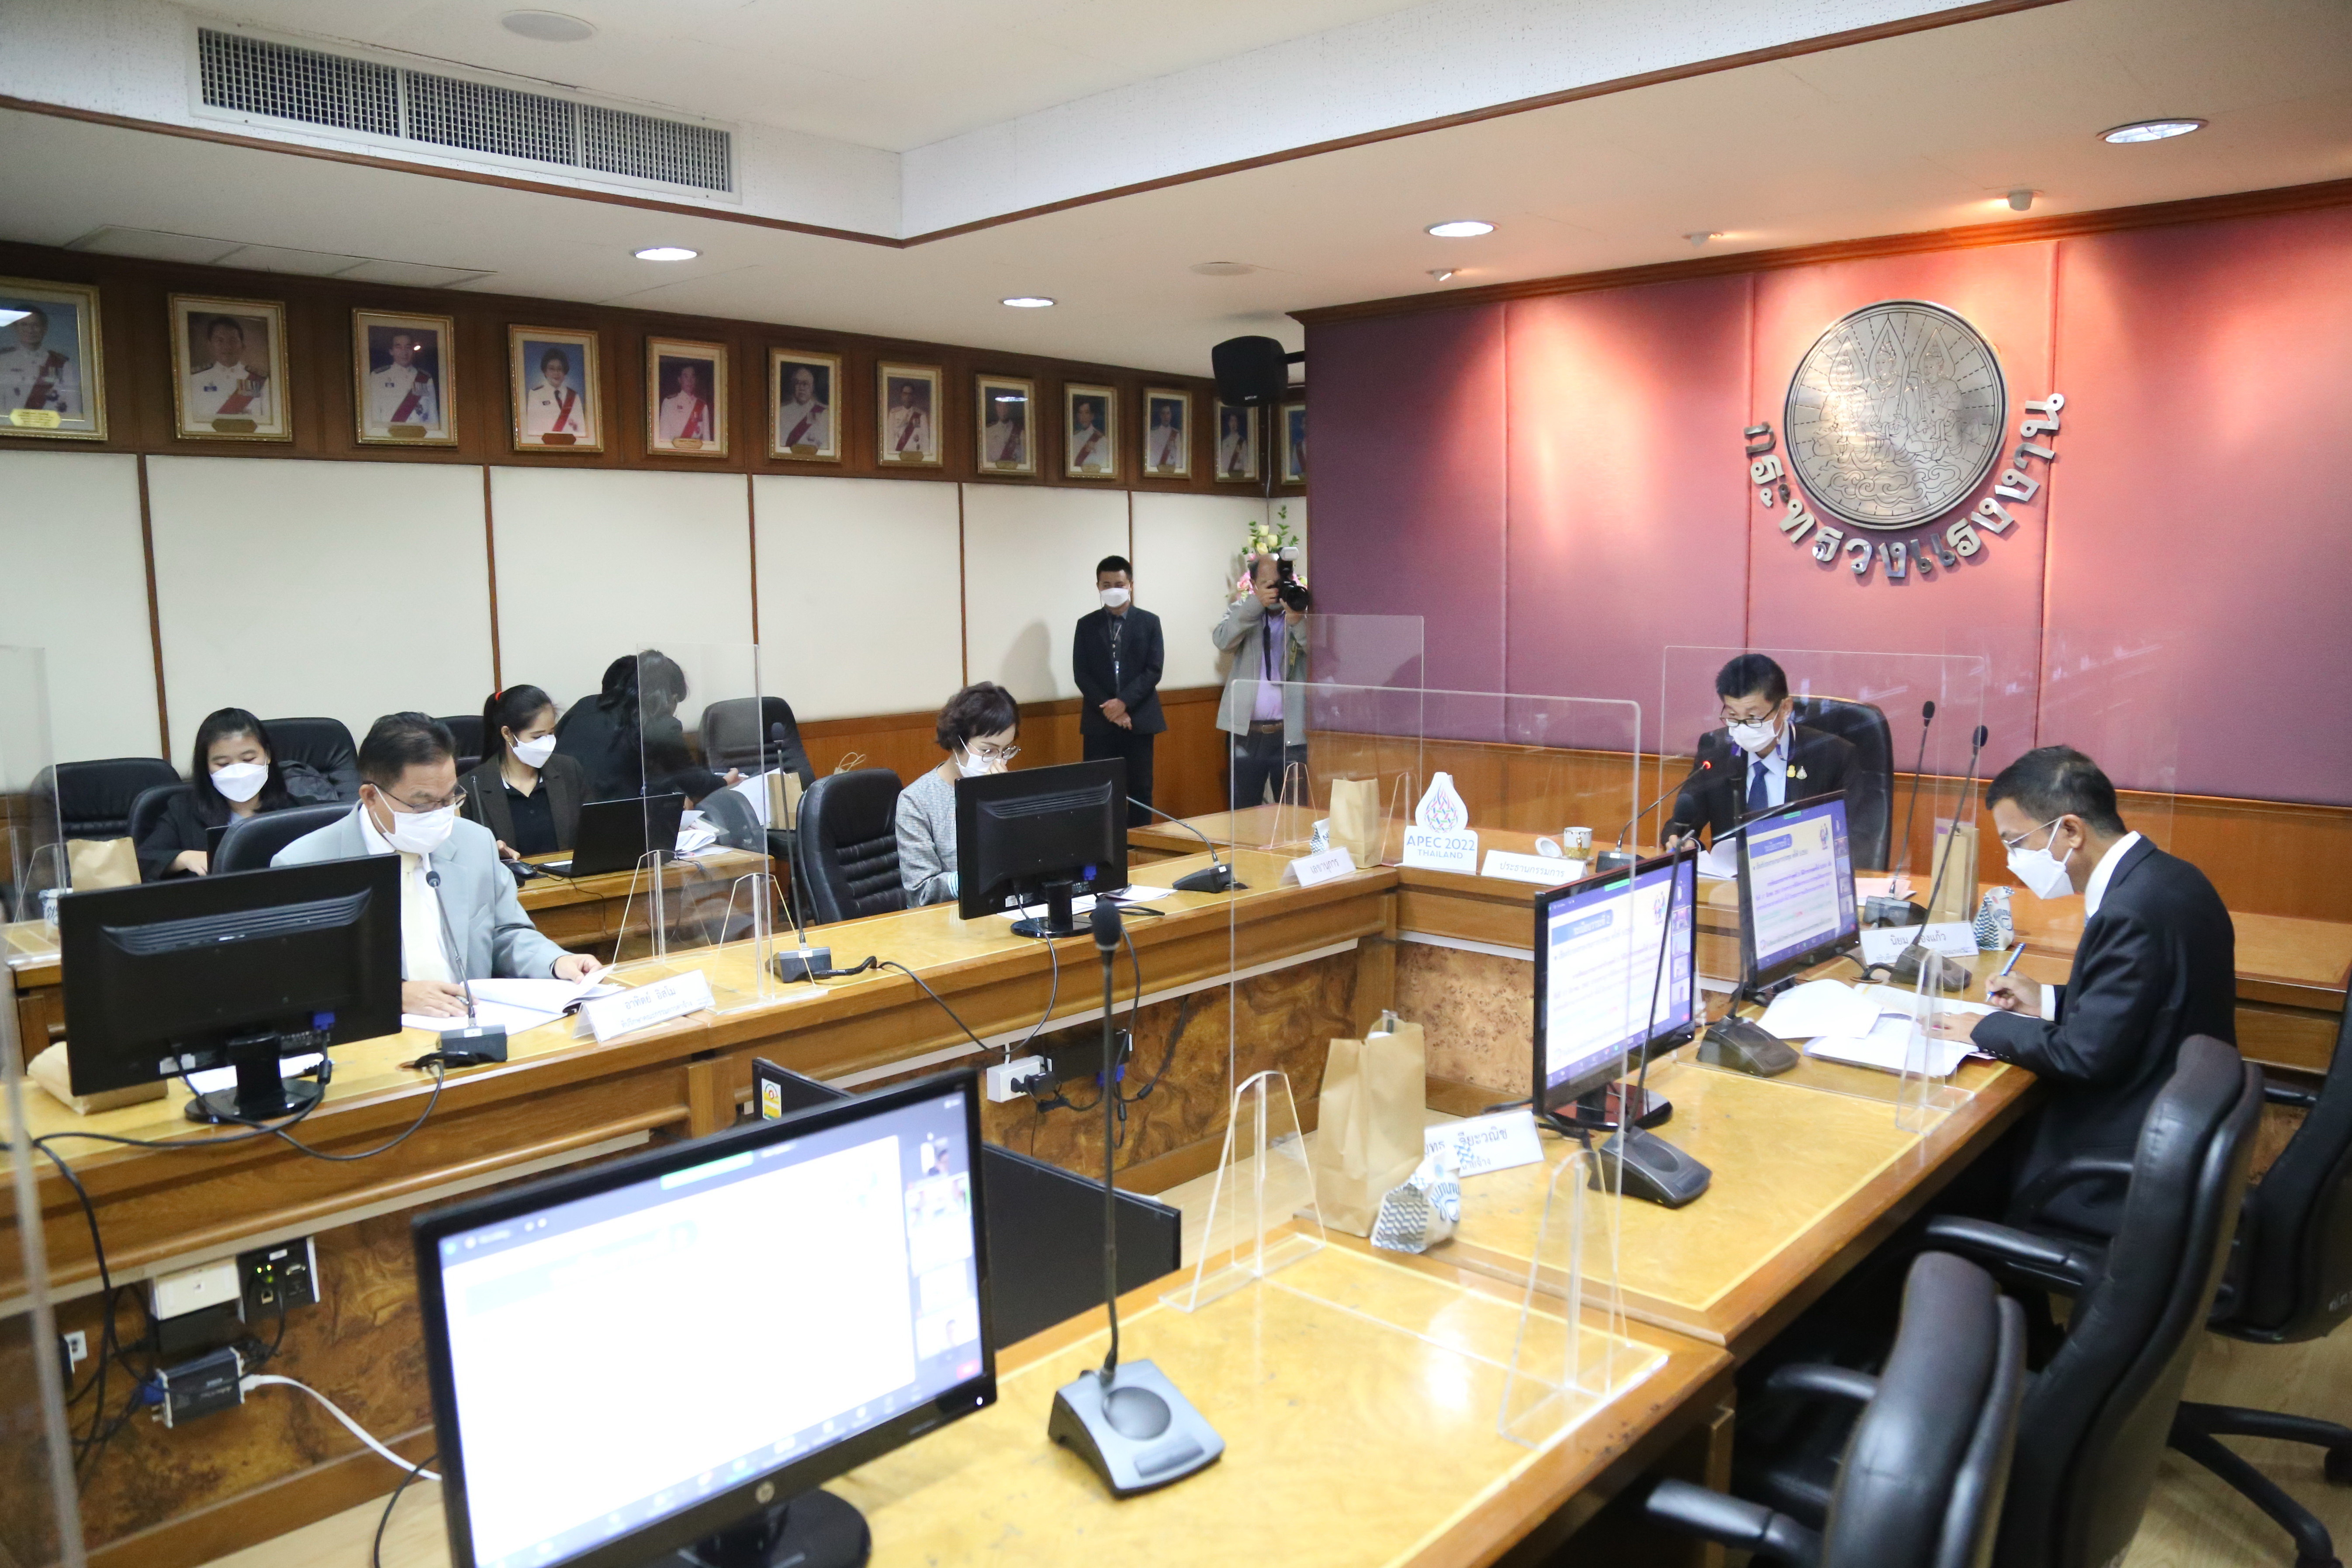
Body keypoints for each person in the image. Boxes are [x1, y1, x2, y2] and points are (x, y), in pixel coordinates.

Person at [1927, 746, 2236, 1236]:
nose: (2012, 862)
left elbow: (2083, 1056)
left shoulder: (2129, 913)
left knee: (1950, 1169)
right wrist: (2046, 1000)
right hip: (2168, 1123)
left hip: (2113, 1161)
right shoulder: (2172, 878)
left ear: (2070, 830)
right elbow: (2143, 1002)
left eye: (2017, 843)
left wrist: (1984, 1027)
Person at [273, 714, 602, 1017]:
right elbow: (298, 979)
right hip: (376, 1035)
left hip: (472, 1023)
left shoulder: (474, 842)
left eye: (448, 799)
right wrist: (393, 994)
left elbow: (506, 933)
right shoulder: (303, 866)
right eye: (422, 804)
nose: (440, 814)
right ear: (371, 797)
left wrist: (556, 961)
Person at [1662, 653, 1854, 848]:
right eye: (1733, 716)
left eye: (1753, 717)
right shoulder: (1716, 751)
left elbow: (1856, 837)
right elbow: (1681, 824)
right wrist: (1682, 842)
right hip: (1732, 868)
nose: (1742, 727)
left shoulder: (1833, 756)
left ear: (1785, 708)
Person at [135, 708, 339, 880]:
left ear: (267, 755)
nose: (237, 770)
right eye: (223, 764)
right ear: (206, 766)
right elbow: (141, 861)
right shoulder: (181, 811)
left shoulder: (300, 811)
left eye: (249, 759)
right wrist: (184, 858)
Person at [553, 651, 735, 806]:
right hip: (609, 815)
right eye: (675, 701)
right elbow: (695, 782)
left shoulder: (586, 705)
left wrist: (678, 794)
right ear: (669, 696)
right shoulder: (659, 724)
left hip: (559, 808)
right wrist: (725, 782)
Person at [896, 683, 1019, 907]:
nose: (998, 761)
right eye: (988, 751)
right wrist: (970, 880)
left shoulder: (1010, 789)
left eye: (1006, 750)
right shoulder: (916, 801)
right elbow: (921, 892)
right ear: (956, 741)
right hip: (953, 915)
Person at [1073, 555, 1165, 826]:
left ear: (1131, 586)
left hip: (1139, 720)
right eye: (1107, 585)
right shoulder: (1086, 625)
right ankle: (1103, 846)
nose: (1113, 589)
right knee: (1098, 791)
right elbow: (1082, 674)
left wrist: (1124, 703)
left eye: (1120, 584)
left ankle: (1138, 844)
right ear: (1098, 587)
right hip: (1099, 721)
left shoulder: (1149, 622)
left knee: (1140, 791)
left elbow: (1154, 670)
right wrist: (1111, 709)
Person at [1213, 551, 1306, 811]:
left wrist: (1298, 622)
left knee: (1295, 813)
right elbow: (1223, 640)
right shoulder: (1242, 611)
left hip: (1291, 734)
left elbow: (1322, 655)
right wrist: (1255, 606)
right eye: (1268, 584)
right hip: (1247, 734)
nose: (1276, 590)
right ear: (1253, 585)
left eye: (1281, 582)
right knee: (1243, 813)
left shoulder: (1302, 613)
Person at [461, 685, 587, 860]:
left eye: (551, 733)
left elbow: (593, 832)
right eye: (537, 737)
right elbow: (462, 854)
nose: (547, 743)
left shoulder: (569, 770)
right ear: (507, 734)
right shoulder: (470, 787)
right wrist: (489, 853)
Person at [184, 315, 270, 425]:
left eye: (233, 341)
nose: (227, 347)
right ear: (210, 346)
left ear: (243, 346)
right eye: (220, 341)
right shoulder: (195, 379)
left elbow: (268, 423)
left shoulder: (261, 380)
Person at [0, 305, 80, 418]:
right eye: (24, 325)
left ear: (45, 329)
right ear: (15, 328)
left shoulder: (61, 364)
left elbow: (73, 407)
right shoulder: (3, 361)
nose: (30, 330)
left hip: (52, 426)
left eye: (36, 325)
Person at [367, 329, 437, 428]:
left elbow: (433, 417)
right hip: (389, 436)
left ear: (413, 350)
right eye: (399, 347)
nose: (404, 352)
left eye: (408, 347)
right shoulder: (378, 377)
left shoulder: (426, 379)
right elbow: (374, 415)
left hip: (419, 435)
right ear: (391, 351)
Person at [522, 347, 585, 439]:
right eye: (552, 369)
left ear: (565, 372)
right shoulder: (535, 394)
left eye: (560, 369)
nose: (556, 373)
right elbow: (532, 428)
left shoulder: (574, 396)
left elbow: (581, 430)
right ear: (545, 371)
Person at [776, 363, 829, 450]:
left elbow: (826, 445)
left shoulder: (824, 414)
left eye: (806, 384)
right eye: (798, 383)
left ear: (812, 387)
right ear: (793, 386)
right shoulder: (781, 413)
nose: (802, 388)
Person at [658, 362, 714, 444]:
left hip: (696, 450)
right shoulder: (670, 403)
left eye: (692, 377)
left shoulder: (703, 406)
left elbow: (706, 439)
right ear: (680, 380)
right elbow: (664, 436)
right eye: (686, 376)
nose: (690, 381)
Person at [885, 380, 930, 459]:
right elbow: (890, 438)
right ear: (901, 395)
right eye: (905, 394)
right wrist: (891, 458)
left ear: (913, 396)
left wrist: (926, 459)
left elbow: (925, 439)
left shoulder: (921, 415)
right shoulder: (894, 414)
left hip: (915, 456)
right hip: (898, 456)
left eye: (910, 394)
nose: (908, 397)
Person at [1069, 397, 1110, 473]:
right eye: (1080, 413)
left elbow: (1104, 464)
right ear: (1077, 416)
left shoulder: (1101, 439)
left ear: (1092, 416)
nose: (1083, 417)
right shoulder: (1073, 438)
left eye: (1087, 413)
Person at [982, 392, 1025, 465]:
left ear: (1010, 408)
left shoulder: (1021, 432)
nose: (1003, 410)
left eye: (1006, 406)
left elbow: (1024, 460)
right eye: (1000, 406)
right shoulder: (988, 432)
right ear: (996, 407)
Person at [1147, 401, 1183, 471]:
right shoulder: (1153, 434)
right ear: (1160, 416)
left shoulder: (1176, 434)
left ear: (1171, 415)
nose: (1166, 417)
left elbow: (1179, 458)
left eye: (1168, 413)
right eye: (1163, 413)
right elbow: (1151, 457)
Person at [1218, 406, 1252, 477]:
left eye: (1235, 421)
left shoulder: (1243, 442)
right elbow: (1223, 461)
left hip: (1240, 474)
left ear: (1238, 424)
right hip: (1227, 475)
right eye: (1232, 421)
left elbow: (1246, 462)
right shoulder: (1225, 442)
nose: (1233, 424)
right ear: (1229, 424)